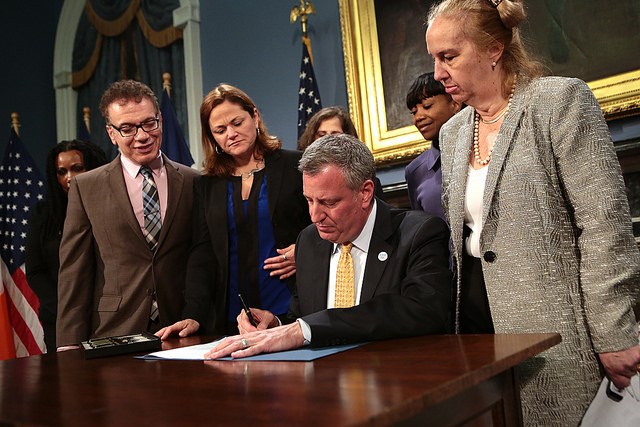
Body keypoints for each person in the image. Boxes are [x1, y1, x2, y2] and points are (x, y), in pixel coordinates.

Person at [425, 0, 640, 425]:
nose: (437, 73)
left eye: (449, 56)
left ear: (493, 49)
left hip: (555, 328)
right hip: (477, 328)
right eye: (433, 58)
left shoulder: (558, 102)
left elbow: (604, 224)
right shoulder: (451, 133)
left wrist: (615, 331)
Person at [203, 133, 452, 359]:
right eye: (309, 200)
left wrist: (304, 329)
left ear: (365, 192)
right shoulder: (309, 241)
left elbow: (423, 310)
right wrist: (277, 325)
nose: (314, 215)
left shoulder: (418, 233)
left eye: (328, 202)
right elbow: (304, 318)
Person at [156, 84, 310, 338]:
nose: (232, 134)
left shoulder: (296, 166)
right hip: (230, 318)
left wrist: (306, 250)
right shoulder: (206, 185)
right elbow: (202, 254)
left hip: (292, 307)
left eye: (237, 122)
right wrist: (193, 313)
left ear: (255, 116)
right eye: (220, 130)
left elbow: (326, 223)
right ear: (212, 137)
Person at [56, 80, 199, 348]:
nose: (142, 135)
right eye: (127, 128)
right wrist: (68, 344)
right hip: (114, 330)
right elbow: (74, 272)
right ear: (112, 134)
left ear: (161, 121)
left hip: (181, 330)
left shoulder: (193, 181)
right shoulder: (87, 187)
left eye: (149, 123)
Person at [25, 140, 107, 352]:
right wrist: (65, 306)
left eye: (77, 168)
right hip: (60, 318)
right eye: (61, 172)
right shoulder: (44, 214)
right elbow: (35, 270)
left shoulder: (112, 206)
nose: (69, 178)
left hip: (108, 315)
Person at [404, 72, 460, 219]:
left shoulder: (482, 149)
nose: (418, 117)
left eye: (427, 106)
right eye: (413, 112)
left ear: (455, 103)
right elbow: (423, 229)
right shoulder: (415, 171)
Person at [297, 106, 385, 199]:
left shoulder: (366, 183)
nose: (328, 141)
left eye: (335, 135)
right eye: (322, 135)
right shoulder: (297, 184)